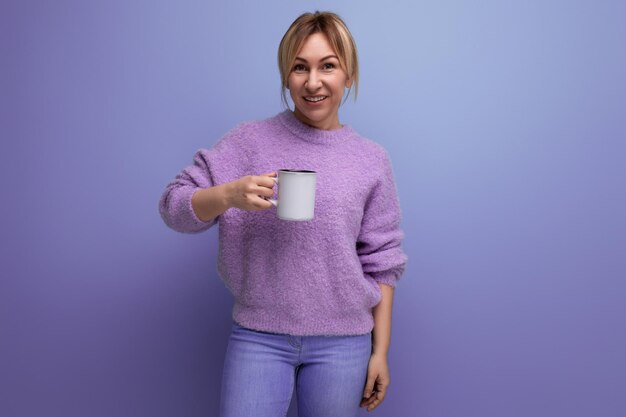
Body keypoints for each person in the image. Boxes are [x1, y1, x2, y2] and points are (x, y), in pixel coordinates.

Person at [158, 10, 408, 417]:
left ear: (349, 74)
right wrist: (226, 195)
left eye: (328, 66)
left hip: (344, 342)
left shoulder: (371, 160)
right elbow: (173, 206)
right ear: (285, 76)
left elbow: (382, 263)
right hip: (259, 336)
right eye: (299, 68)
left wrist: (380, 352)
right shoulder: (248, 142)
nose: (313, 82)